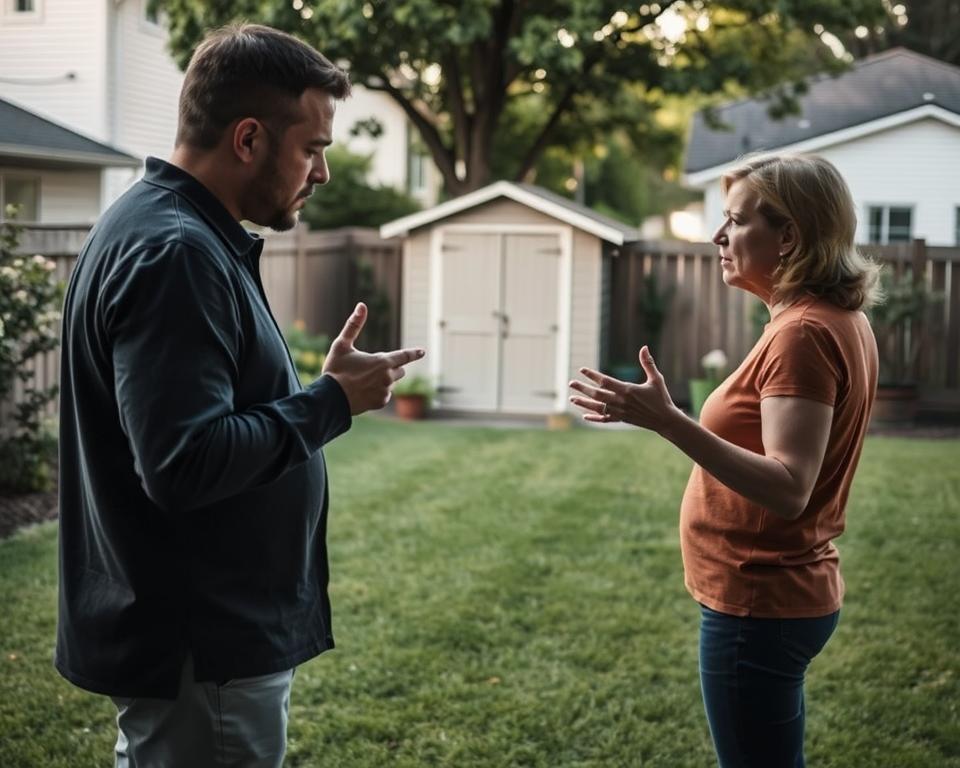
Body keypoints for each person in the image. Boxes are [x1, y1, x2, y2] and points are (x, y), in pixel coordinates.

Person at [55, 23, 424, 768]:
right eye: (313, 147)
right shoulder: (176, 253)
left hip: (207, 642)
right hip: (204, 649)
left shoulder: (172, 230)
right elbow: (185, 462)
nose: (320, 171)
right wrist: (331, 403)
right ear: (249, 139)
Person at [569, 153, 880, 767]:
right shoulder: (830, 319)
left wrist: (667, 421)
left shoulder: (803, 333)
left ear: (788, 235)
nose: (718, 236)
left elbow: (790, 485)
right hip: (780, 596)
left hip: (759, 602)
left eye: (736, 221)